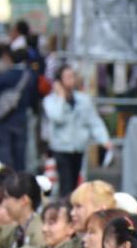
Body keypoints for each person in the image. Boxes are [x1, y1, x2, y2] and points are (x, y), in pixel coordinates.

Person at [42, 64, 112, 196]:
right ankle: (65, 206)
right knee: (65, 184)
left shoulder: (83, 99)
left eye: (72, 76)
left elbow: (93, 120)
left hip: (78, 146)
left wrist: (104, 139)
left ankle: (72, 204)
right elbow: (57, 117)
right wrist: (61, 96)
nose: (71, 80)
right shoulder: (50, 100)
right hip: (61, 148)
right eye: (67, 77)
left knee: (75, 183)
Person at [0, 46, 35, 172]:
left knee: (5, 151)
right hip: (22, 119)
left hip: (4, 120)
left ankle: (7, 177)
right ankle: (20, 179)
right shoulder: (30, 76)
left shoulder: (5, 76)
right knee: (20, 154)